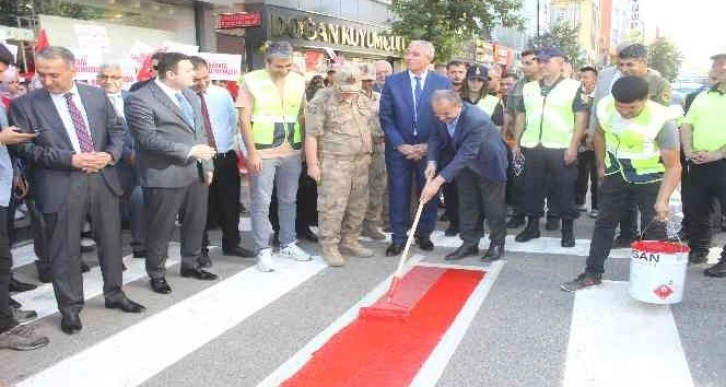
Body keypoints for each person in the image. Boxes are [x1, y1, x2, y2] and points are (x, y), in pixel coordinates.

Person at [10, 46, 145, 334]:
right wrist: (70, 159)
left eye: (54, 75)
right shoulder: (25, 105)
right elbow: (23, 148)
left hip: (102, 177)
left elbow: (117, 130)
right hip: (59, 183)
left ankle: (115, 293)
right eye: (42, 74)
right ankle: (70, 308)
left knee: (110, 240)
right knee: (64, 249)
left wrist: (109, 155)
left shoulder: (96, 95)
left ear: (72, 70)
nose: (46, 81)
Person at [561, 76, 681, 291]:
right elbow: (599, 132)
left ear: (646, 99)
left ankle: (656, 282)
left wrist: (662, 200)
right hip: (616, 172)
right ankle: (592, 273)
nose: (624, 112)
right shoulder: (606, 106)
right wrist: (600, 165)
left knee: (654, 228)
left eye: (632, 108)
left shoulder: (662, 120)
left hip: (649, 178)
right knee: (604, 224)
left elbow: (674, 166)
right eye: (620, 107)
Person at [126, 52, 218, 295]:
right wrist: (189, 151)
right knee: (161, 228)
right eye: (188, 71)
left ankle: (191, 263)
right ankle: (156, 274)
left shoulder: (190, 95)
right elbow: (147, 139)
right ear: (170, 74)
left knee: (196, 222)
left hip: (195, 170)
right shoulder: (140, 99)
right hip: (163, 173)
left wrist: (207, 165)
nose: (195, 75)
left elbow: (200, 132)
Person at [237, 41, 312, 272]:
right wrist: (252, 152)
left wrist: (305, 150)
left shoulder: (299, 81)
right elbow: (243, 118)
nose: (284, 70)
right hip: (263, 151)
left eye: (288, 65)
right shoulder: (251, 80)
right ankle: (263, 250)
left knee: (289, 199)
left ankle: (288, 242)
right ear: (267, 62)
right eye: (279, 66)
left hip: (292, 149)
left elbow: (302, 115)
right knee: (261, 201)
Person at [379, 40, 452, 256]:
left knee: (427, 192)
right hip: (399, 150)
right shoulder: (393, 82)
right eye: (408, 53)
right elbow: (386, 117)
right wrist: (400, 145)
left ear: (429, 59)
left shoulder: (442, 83)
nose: (409, 57)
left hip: (429, 150)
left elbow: (445, 118)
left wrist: (427, 146)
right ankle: (398, 238)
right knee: (398, 193)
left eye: (416, 54)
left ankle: (424, 234)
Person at [512, 47, 589, 248]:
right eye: (540, 61)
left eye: (548, 61)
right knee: (532, 188)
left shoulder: (573, 87)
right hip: (533, 146)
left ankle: (567, 230)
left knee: (564, 190)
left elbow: (581, 119)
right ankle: (532, 226)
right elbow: (521, 116)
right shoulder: (529, 88)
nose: (543, 65)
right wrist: (517, 142)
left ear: (561, 63)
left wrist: (574, 146)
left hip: (561, 146)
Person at [0, 43, 48, 350]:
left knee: (4, 258)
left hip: (3, 185)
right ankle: (5, 327)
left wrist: (14, 173)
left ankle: (4, 310)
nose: (4, 72)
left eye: (5, 67)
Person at [422, 90, 508, 261]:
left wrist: (437, 182)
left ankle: (497, 243)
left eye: (446, 114)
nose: (442, 118)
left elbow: (466, 154)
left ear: (458, 105)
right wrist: (431, 161)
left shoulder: (476, 120)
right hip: (464, 166)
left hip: (488, 163)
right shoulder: (439, 112)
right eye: (438, 115)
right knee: (467, 205)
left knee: (493, 207)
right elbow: (435, 137)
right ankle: (470, 243)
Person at [305, 66, 378, 266]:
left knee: (357, 204)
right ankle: (329, 246)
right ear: (335, 83)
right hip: (334, 162)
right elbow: (311, 134)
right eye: (345, 90)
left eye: (353, 90)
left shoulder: (361, 98)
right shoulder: (322, 100)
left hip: (361, 162)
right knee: (332, 206)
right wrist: (313, 164)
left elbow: (370, 127)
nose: (348, 94)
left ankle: (350, 241)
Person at [606, 43, 674, 247]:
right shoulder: (618, 81)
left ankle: (653, 243)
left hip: (650, 154)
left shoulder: (659, 83)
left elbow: (660, 117)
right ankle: (627, 234)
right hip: (622, 152)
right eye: (621, 65)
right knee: (625, 202)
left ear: (644, 63)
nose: (624, 69)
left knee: (651, 206)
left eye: (630, 64)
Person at [189, 56, 254, 264]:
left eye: (205, 77)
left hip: (225, 157)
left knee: (230, 204)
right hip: (198, 161)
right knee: (201, 207)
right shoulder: (182, 98)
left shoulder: (222, 94)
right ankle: (201, 250)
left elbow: (234, 124)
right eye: (196, 79)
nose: (201, 83)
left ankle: (232, 243)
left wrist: (245, 153)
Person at [679, 53, 726, 275]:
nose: (718, 67)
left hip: (722, 162)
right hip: (697, 162)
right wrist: (688, 151)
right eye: (716, 64)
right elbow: (687, 124)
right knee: (696, 208)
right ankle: (699, 249)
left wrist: (718, 154)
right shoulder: (704, 95)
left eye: (721, 63)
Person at [97, 63, 146, 259]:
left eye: (114, 77)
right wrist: (127, 154)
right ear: (98, 79)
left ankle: (140, 244)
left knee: (139, 203)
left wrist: (140, 154)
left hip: (139, 161)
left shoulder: (133, 99)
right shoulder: (92, 101)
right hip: (111, 163)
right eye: (104, 76)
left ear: (123, 79)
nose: (109, 81)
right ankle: (112, 252)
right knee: (112, 211)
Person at [504, 50, 540, 229]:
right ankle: (518, 214)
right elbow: (509, 112)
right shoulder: (518, 86)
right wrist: (506, 136)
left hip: (544, 142)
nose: (524, 66)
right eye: (523, 63)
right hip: (520, 142)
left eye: (528, 63)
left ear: (539, 63)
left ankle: (552, 216)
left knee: (543, 181)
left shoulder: (547, 85)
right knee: (518, 179)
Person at [360, 63, 388, 241]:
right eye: (364, 80)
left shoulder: (380, 97)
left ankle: (370, 223)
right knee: (357, 188)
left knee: (378, 185)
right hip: (358, 147)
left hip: (379, 145)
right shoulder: (352, 97)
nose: (367, 84)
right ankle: (353, 225)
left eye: (370, 79)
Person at [575, 66, 599, 218]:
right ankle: (579, 202)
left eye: (586, 77)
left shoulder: (601, 96)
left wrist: (590, 132)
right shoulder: (577, 95)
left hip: (597, 141)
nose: (583, 81)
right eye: (581, 77)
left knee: (597, 174)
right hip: (580, 141)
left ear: (595, 79)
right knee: (580, 173)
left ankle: (597, 206)